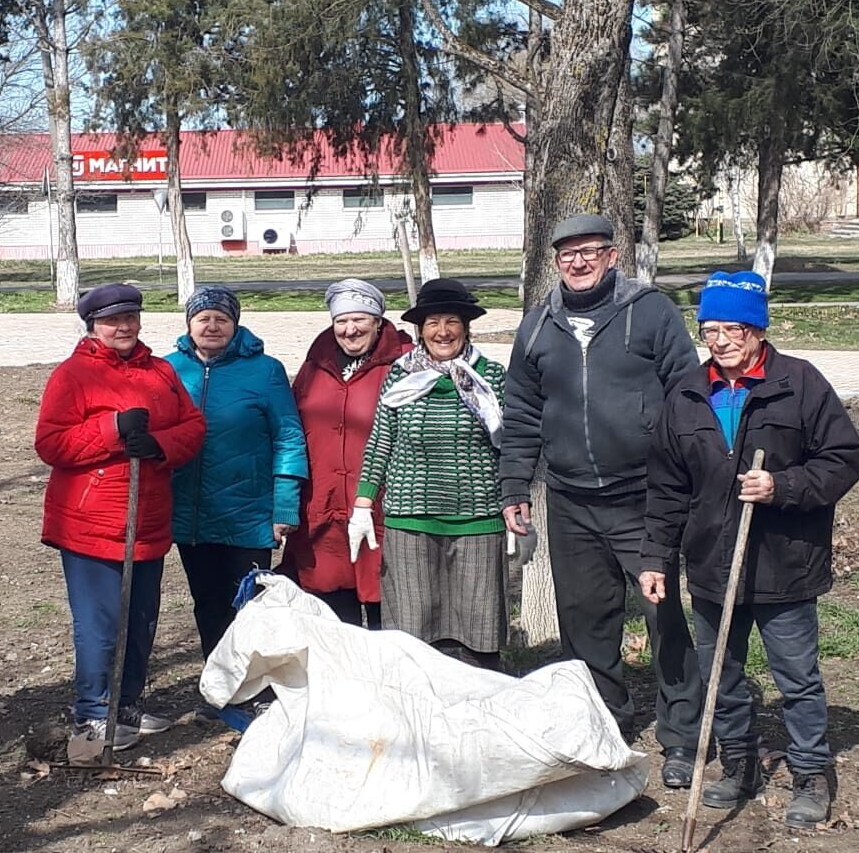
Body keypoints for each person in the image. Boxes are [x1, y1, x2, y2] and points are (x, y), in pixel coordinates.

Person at [640, 271, 859, 828]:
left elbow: (842, 458)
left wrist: (782, 487)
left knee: (796, 676)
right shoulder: (689, 392)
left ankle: (811, 772)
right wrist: (654, 557)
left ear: (758, 330)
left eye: (732, 328)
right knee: (724, 671)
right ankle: (737, 763)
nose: (719, 340)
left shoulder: (800, 383)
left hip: (785, 561)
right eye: (710, 328)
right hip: (713, 561)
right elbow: (667, 486)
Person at [498, 213, 704, 788]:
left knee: (663, 617)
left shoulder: (650, 311)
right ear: (555, 261)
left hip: (642, 499)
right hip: (569, 502)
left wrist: (684, 478)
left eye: (590, 252)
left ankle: (682, 737)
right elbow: (521, 414)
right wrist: (515, 485)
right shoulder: (538, 326)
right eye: (568, 255)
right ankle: (605, 725)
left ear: (613, 255)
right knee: (586, 624)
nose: (579, 262)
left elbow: (688, 394)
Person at [35, 283, 205, 751]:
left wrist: (159, 446)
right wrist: (112, 429)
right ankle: (92, 713)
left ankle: (126, 703)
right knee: (100, 623)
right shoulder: (72, 375)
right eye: (112, 320)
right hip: (91, 523)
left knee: (141, 619)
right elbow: (52, 444)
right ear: (93, 325)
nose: (123, 327)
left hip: (146, 517)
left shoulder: (162, 372)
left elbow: (192, 427)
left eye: (130, 317)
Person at [350, 278, 506, 669]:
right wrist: (363, 504)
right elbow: (381, 441)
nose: (443, 331)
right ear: (420, 330)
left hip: (478, 521)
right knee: (413, 633)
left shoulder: (492, 377)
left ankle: (477, 712)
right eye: (433, 322)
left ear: (466, 327)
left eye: (452, 321)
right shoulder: (400, 376)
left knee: (478, 630)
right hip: (411, 521)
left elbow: (512, 446)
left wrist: (516, 505)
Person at [166, 286, 308, 660]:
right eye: (203, 318)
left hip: (248, 511)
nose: (212, 326)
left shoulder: (266, 371)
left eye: (222, 319)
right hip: (191, 512)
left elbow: (289, 437)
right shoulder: (168, 369)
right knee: (207, 602)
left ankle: (255, 685)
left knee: (249, 603)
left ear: (236, 324)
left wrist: (285, 506)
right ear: (189, 324)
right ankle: (219, 683)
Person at [281, 279, 411, 628]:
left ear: (379, 322)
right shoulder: (314, 367)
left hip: (383, 509)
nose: (350, 330)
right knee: (334, 618)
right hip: (324, 510)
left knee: (390, 612)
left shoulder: (404, 365)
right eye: (341, 321)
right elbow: (292, 431)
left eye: (360, 320)